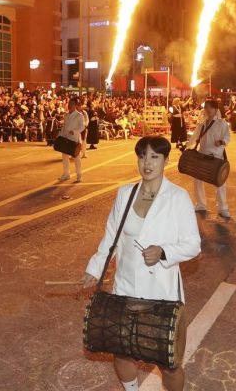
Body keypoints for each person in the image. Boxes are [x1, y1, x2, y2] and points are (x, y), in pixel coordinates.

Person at [81, 136, 201, 391]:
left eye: (154, 157)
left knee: (169, 362)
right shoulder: (125, 193)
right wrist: (94, 268)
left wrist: (164, 252)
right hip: (126, 286)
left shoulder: (178, 197)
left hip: (162, 292)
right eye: (142, 156)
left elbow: (193, 244)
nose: (147, 163)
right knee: (121, 349)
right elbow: (111, 237)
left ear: (166, 160)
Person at [187, 100, 232, 220]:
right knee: (197, 181)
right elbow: (194, 137)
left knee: (219, 182)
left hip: (216, 156)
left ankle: (223, 208)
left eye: (209, 108)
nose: (207, 110)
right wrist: (186, 146)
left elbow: (227, 136)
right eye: (206, 108)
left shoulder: (222, 123)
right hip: (202, 155)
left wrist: (222, 142)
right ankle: (201, 204)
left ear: (215, 109)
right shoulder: (202, 124)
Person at [58, 97, 84, 183]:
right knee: (64, 157)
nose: (69, 106)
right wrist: (60, 135)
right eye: (69, 104)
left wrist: (75, 132)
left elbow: (82, 127)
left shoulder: (79, 115)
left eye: (71, 104)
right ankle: (66, 174)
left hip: (74, 139)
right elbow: (64, 126)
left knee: (76, 157)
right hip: (65, 138)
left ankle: (79, 175)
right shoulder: (66, 114)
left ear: (75, 106)